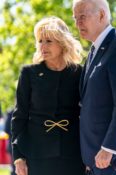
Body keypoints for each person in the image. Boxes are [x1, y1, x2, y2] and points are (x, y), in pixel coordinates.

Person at [72, 0, 116, 174]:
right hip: (96, 159)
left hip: (113, 159)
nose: (77, 23)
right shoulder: (94, 51)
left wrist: (109, 148)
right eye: (75, 18)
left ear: (102, 15)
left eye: (82, 16)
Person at [11, 16, 85, 175]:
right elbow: (19, 116)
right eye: (40, 41)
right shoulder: (29, 73)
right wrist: (18, 157)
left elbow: (87, 113)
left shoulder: (79, 73)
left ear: (62, 43)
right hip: (36, 154)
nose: (42, 46)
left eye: (49, 41)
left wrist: (89, 154)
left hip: (73, 154)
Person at [4, 109, 16, 175]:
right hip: (14, 143)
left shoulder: (11, 112)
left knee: (14, 166)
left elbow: (6, 129)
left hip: (12, 143)